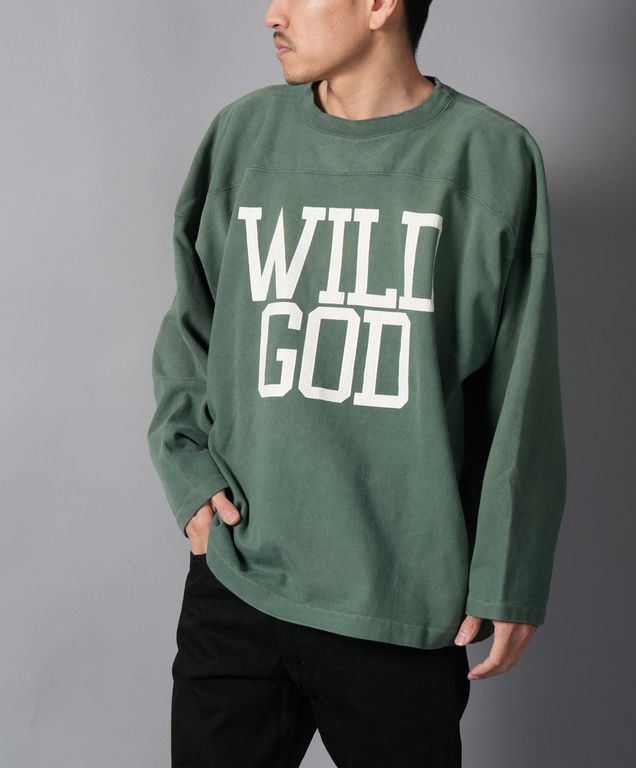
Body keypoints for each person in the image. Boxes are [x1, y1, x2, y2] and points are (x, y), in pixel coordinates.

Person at [147, 0, 567, 765]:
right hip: (240, 582)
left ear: (379, 5)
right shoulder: (243, 137)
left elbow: (521, 392)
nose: (271, 14)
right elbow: (191, 327)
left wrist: (510, 573)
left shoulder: (488, 157)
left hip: (399, 602)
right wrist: (188, 472)